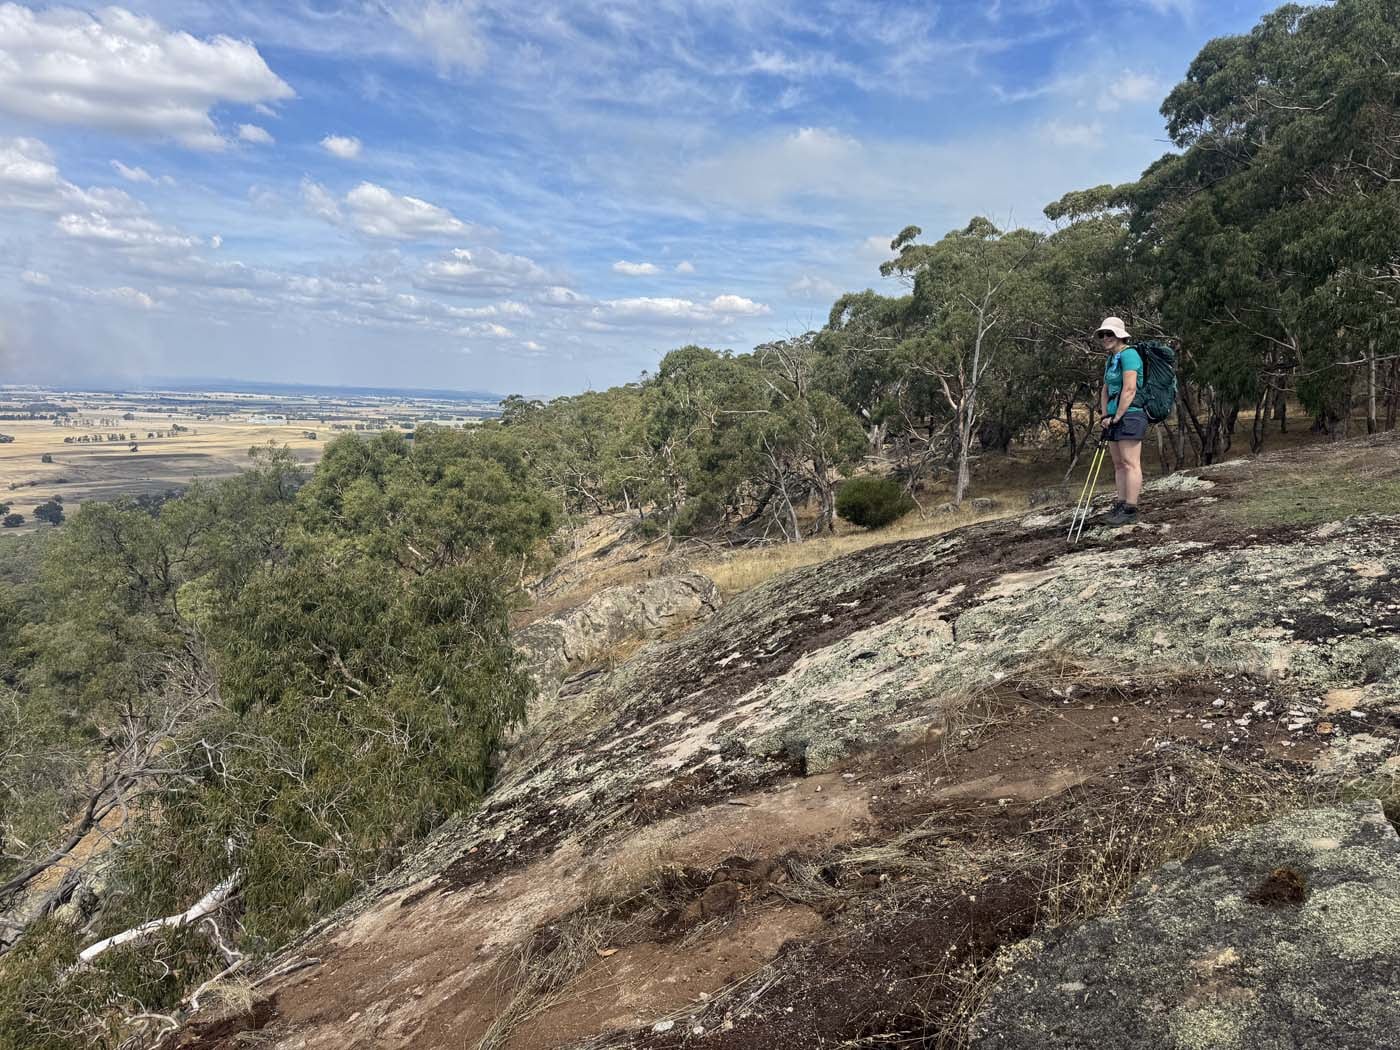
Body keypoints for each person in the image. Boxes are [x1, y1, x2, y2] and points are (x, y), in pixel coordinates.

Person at [1095, 317, 1146, 526]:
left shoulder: (1130, 355)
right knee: (1118, 463)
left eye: (1110, 334)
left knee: (1130, 462)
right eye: (1102, 334)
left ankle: (1131, 508)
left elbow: (1130, 388)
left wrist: (1118, 416)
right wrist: (1106, 414)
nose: (1105, 338)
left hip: (1131, 414)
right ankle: (1121, 502)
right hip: (1114, 417)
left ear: (1120, 335)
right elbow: (1106, 389)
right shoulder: (1111, 359)